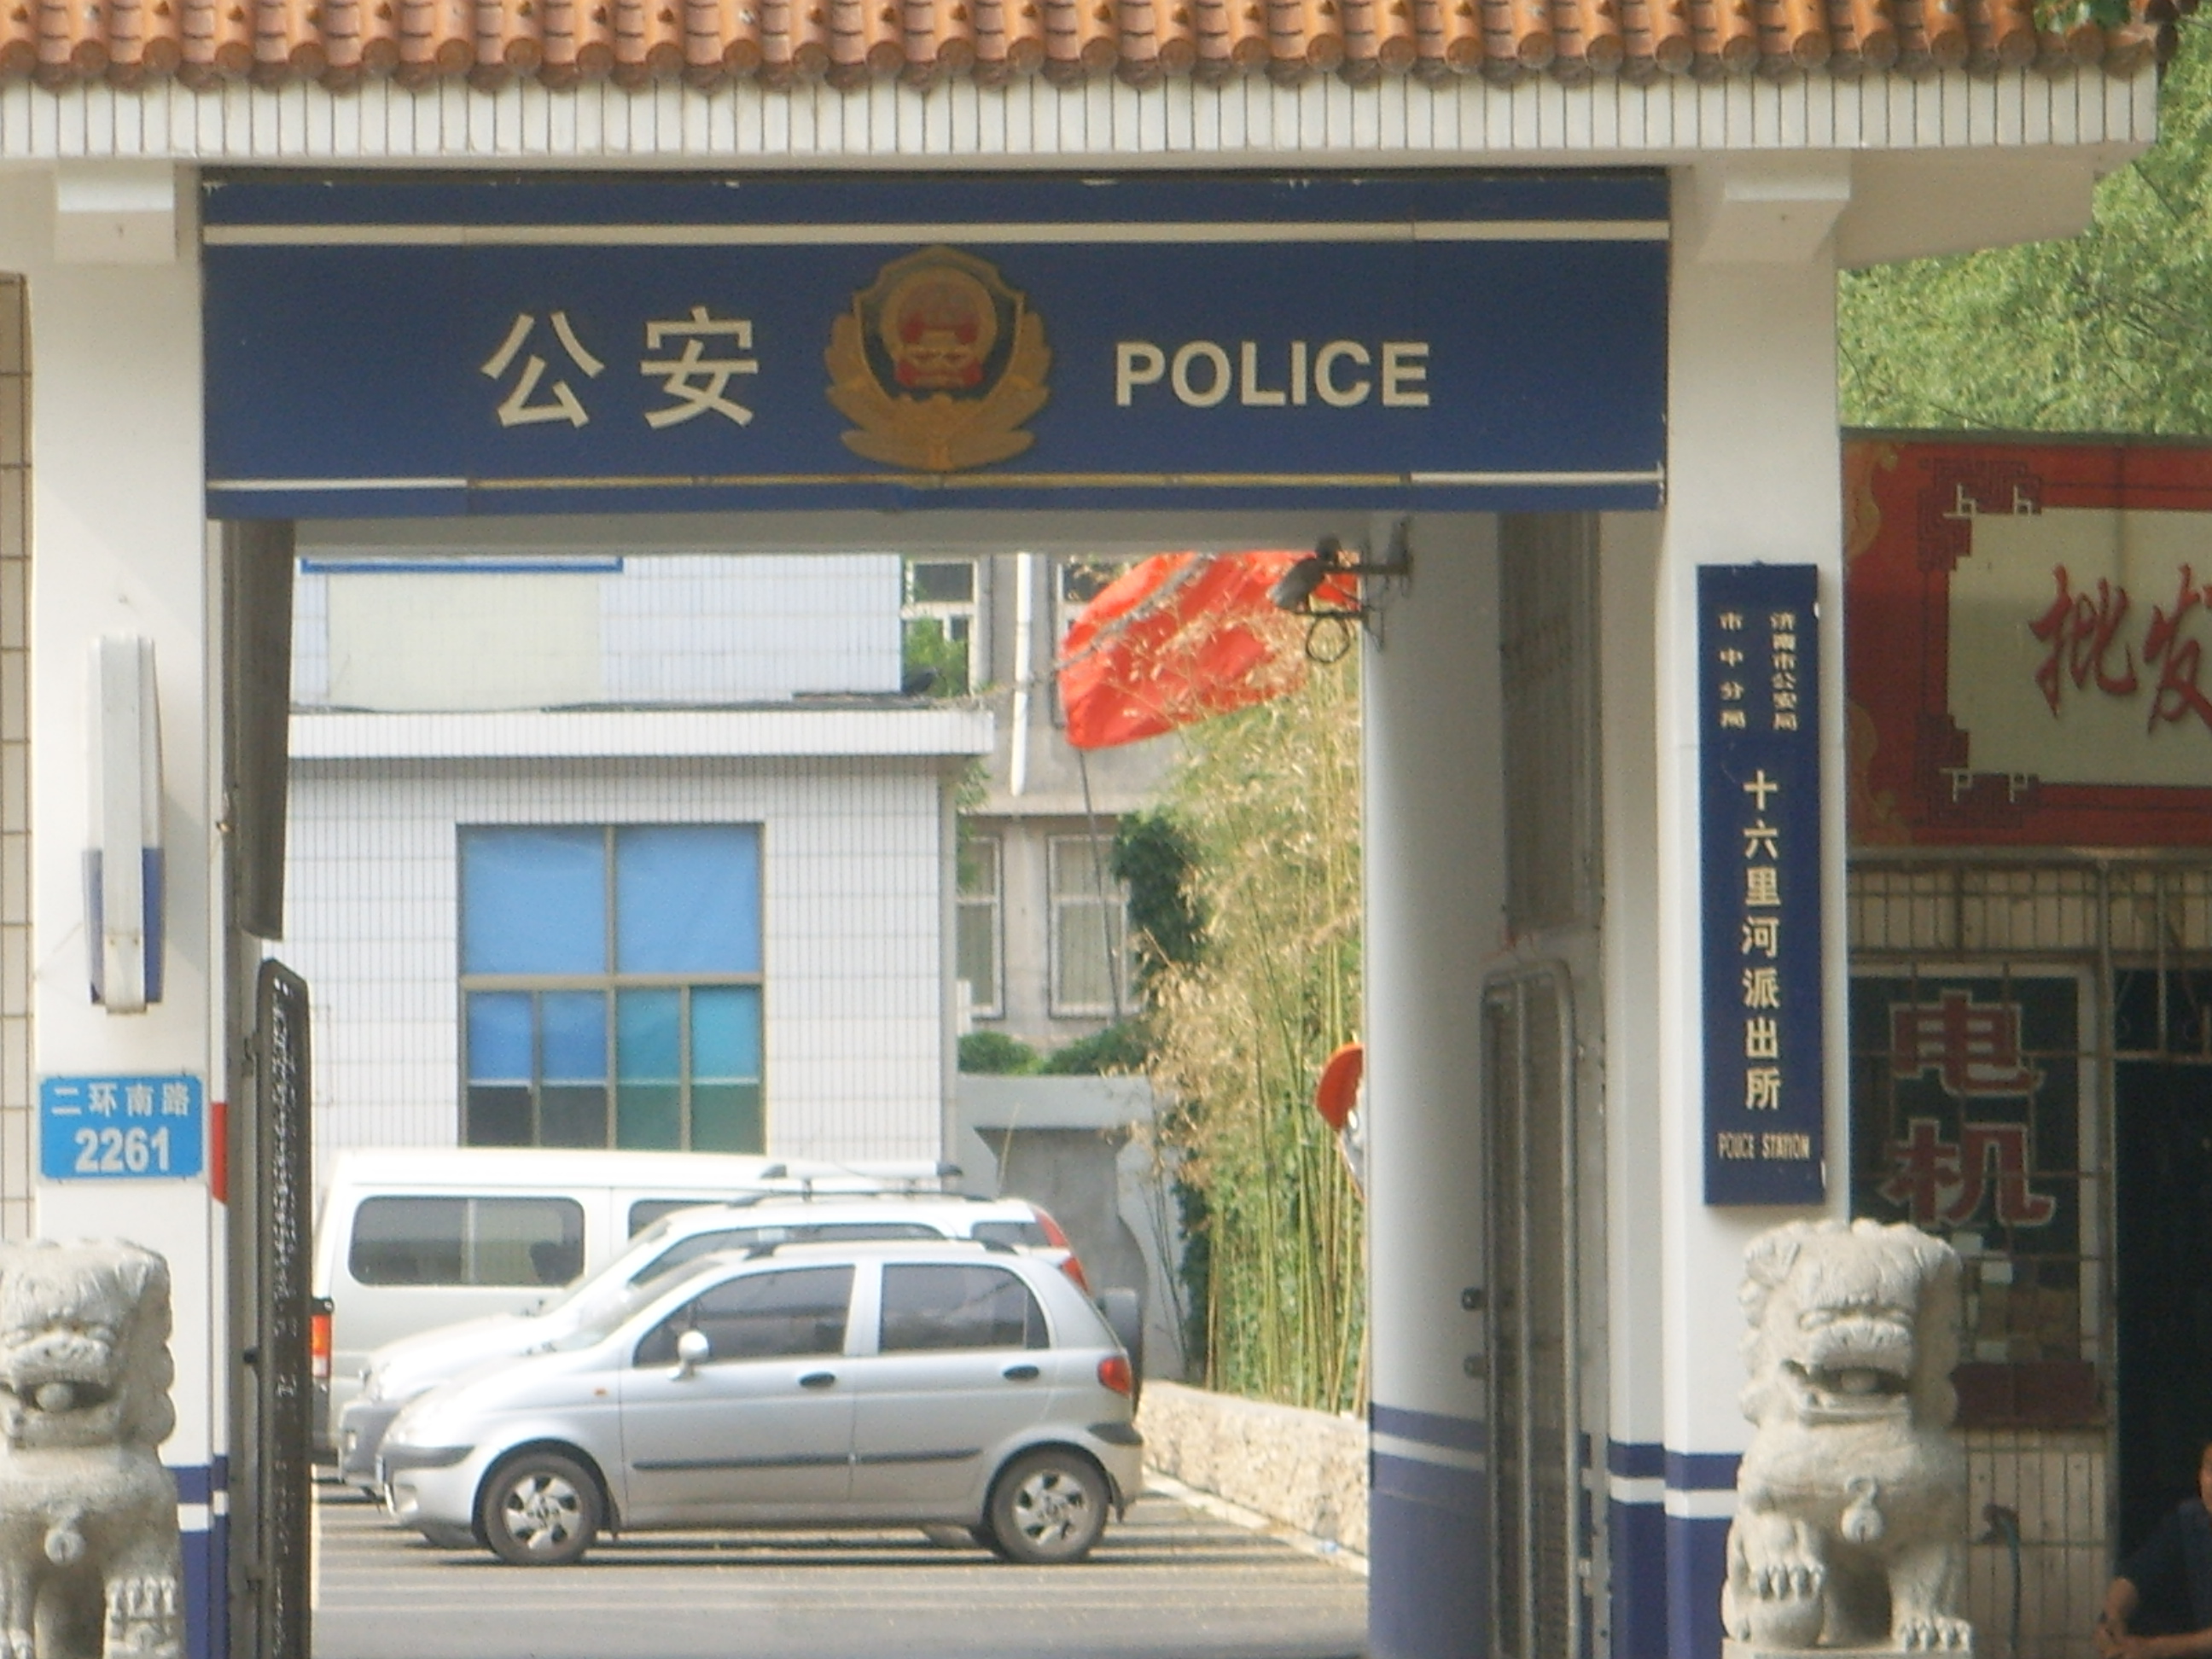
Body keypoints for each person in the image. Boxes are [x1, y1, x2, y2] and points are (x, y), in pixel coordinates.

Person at [2099, 1442, 2212, 1659]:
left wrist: (2157, 1648)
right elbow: (2139, 1572)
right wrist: (2112, 1617)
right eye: (2211, 1470)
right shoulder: (2190, 1519)